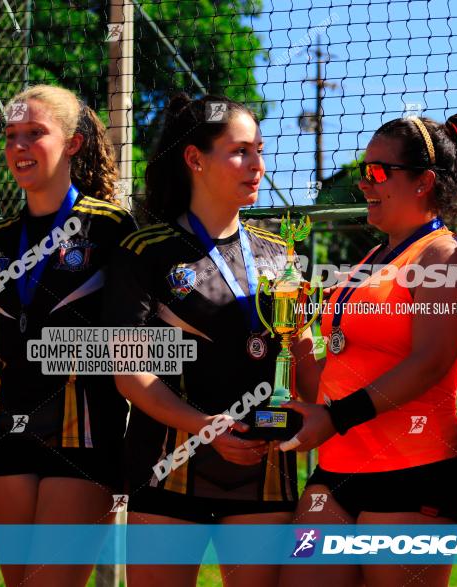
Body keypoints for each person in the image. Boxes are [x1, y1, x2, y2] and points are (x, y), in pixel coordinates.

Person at [103, 94, 297, 587]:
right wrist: (204, 427)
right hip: (168, 464)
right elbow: (130, 376)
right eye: (240, 152)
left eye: (260, 150)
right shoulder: (143, 251)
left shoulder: (280, 255)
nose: (257, 165)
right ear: (195, 159)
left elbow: (303, 357)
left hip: (264, 466)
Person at [279, 113, 457, 587]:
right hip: (337, 470)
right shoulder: (370, 260)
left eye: (377, 172)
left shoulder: (443, 254)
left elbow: (430, 362)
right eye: (363, 171)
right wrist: (296, 336)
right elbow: (328, 379)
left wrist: (335, 418)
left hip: (414, 472)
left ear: (423, 182)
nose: (364, 183)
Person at [0, 84, 136, 587]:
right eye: (11, 135)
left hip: (84, 435)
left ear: (72, 143)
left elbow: (131, 346)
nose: (19, 146)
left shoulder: (111, 228)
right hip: (4, 433)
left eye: (34, 133)